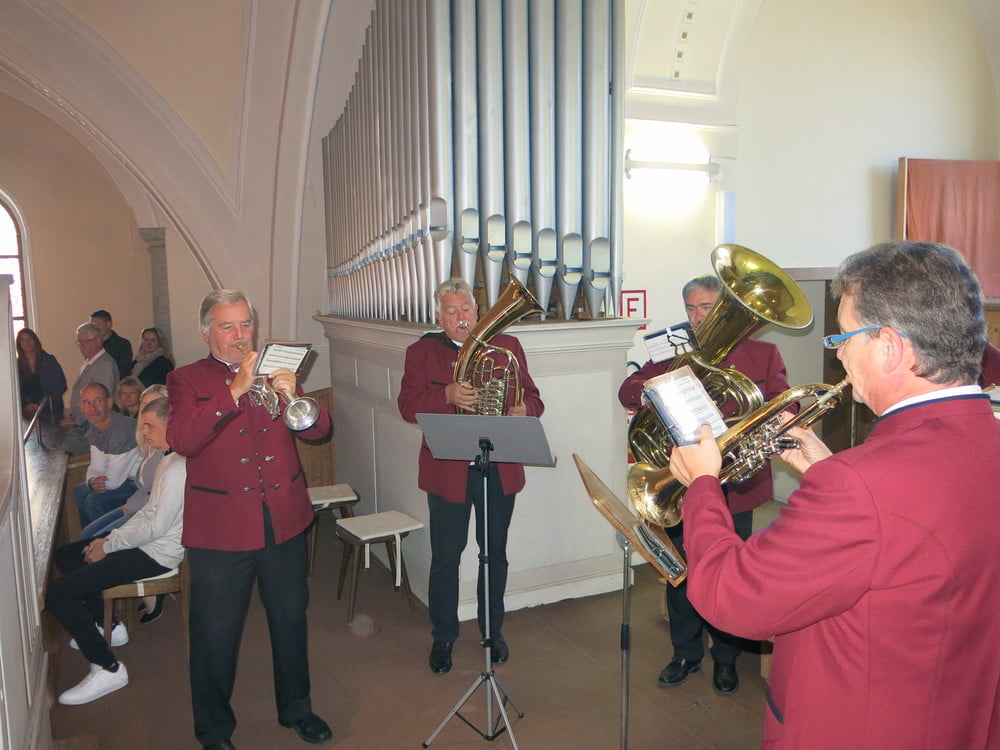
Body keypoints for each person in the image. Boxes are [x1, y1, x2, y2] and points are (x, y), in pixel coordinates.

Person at [668, 241, 1000, 749]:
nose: (838, 352)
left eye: (843, 337)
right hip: (961, 716)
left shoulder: (859, 484)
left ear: (890, 347)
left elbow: (732, 598)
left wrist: (702, 486)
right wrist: (830, 470)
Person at [167, 289, 333, 749]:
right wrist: (233, 390)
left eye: (245, 324)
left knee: (289, 620)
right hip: (219, 530)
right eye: (228, 326)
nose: (240, 335)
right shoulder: (185, 379)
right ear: (206, 332)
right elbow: (182, 439)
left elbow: (318, 430)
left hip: (283, 519)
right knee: (214, 634)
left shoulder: (274, 369)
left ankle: (296, 709)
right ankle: (214, 730)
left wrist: (293, 391)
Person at [617, 274, 790, 696]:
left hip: (737, 481)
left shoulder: (763, 353)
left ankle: (726, 659)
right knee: (683, 573)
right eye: (691, 308)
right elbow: (629, 389)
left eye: (707, 308)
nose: (697, 317)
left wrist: (770, 417)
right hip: (684, 479)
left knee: (731, 574)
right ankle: (686, 653)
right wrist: (652, 394)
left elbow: (785, 401)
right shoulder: (677, 351)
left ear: (725, 308)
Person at [397, 278, 544, 674]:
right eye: (451, 311)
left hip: (498, 469)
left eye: (466, 309)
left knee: (494, 555)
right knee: (446, 557)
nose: (461, 317)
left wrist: (525, 410)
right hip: (447, 472)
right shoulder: (421, 352)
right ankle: (443, 635)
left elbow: (533, 397)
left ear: (478, 312)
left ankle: (492, 631)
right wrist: (445, 395)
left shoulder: (507, 346)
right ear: (438, 317)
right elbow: (407, 405)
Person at [46, 397, 185, 706]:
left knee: (58, 593)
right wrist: (111, 538)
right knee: (67, 555)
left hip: (156, 556)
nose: (143, 433)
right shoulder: (167, 459)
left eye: (149, 426)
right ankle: (108, 626)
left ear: (172, 426)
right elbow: (147, 513)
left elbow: (155, 527)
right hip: (144, 543)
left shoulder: (178, 468)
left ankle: (108, 668)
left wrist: (109, 545)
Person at [74, 383, 141, 528]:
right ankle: (88, 538)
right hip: (121, 479)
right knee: (79, 491)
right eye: (86, 403)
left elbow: (113, 482)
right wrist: (92, 481)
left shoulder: (123, 430)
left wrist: (94, 483)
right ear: (81, 407)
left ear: (109, 403)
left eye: (98, 401)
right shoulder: (95, 427)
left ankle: (105, 539)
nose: (92, 408)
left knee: (94, 500)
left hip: (139, 484)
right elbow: (96, 467)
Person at [63, 322, 120, 428]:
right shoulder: (89, 362)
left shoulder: (105, 365)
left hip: (92, 425)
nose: (81, 346)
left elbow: (100, 401)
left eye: (85, 341)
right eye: (79, 342)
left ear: (98, 341)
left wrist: (78, 420)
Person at [16, 327, 67, 422]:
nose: (27, 342)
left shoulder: (49, 360)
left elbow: (60, 386)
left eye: (30, 338)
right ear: (19, 344)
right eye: (23, 340)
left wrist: (42, 405)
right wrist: (26, 405)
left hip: (51, 411)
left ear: (35, 341)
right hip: (27, 412)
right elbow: (17, 390)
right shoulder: (17, 365)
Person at [90, 309, 133, 379]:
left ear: (108, 324)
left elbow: (123, 371)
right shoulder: (91, 344)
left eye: (98, 325)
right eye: (92, 326)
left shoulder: (122, 344)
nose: (94, 329)